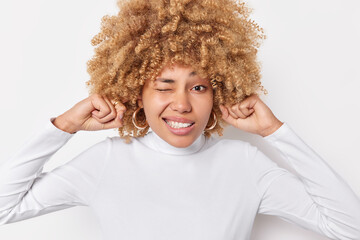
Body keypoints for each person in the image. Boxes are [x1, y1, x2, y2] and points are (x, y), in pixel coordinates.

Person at [1, 0, 360, 239]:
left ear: (219, 91)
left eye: (199, 87)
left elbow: (350, 226)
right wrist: (63, 127)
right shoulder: (107, 161)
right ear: (135, 91)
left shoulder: (244, 164)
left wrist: (275, 132)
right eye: (164, 86)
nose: (182, 104)